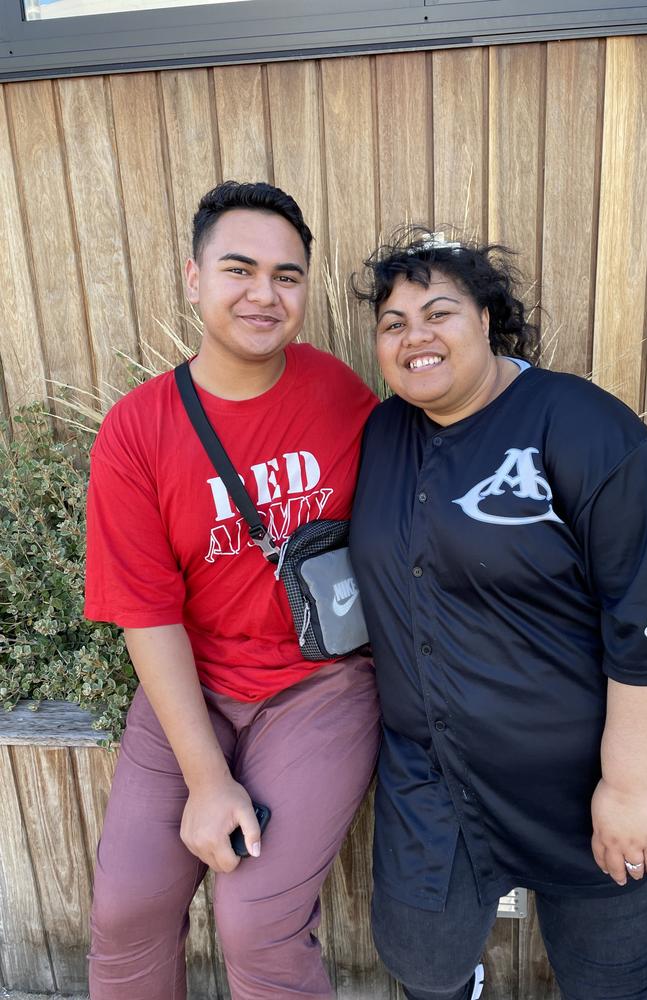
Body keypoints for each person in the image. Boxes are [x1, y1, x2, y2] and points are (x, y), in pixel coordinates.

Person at [84, 180, 380, 1000]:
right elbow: (146, 614)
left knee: (256, 921)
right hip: (195, 689)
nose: (264, 294)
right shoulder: (137, 430)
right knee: (127, 909)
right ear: (193, 276)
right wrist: (208, 780)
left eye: (287, 276)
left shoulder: (338, 394)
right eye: (239, 269)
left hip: (318, 686)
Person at [348, 227, 647, 1000]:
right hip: (432, 777)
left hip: (580, 778)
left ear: (487, 318)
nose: (416, 337)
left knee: (610, 981)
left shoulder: (583, 426)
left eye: (439, 312)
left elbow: (641, 617)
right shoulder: (382, 434)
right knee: (422, 960)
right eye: (393, 323)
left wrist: (628, 786)